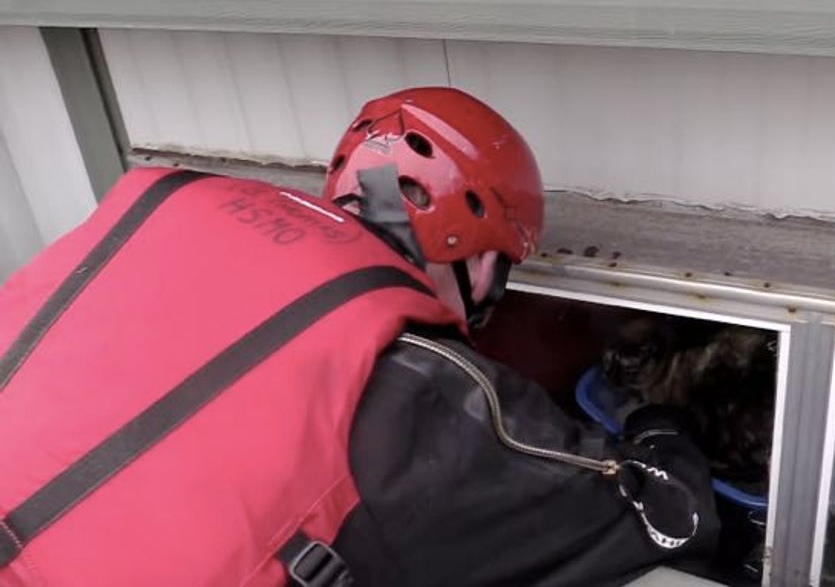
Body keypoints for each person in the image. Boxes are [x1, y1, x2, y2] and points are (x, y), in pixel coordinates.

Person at [0, 87, 718, 586]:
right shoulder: (418, 382)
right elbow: (664, 514)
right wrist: (654, 421)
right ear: (476, 253)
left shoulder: (160, 219)